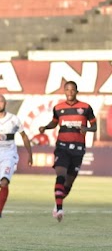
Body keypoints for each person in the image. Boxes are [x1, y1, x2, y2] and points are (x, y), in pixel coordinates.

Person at [38, 81, 97, 222]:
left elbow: (94, 126)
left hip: (78, 149)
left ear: (76, 91)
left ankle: (57, 202)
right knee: (61, 175)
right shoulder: (58, 108)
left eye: (72, 90)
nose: (70, 92)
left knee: (68, 184)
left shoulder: (86, 107)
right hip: (62, 147)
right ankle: (59, 209)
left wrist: (87, 129)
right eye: (67, 90)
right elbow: (54, 122)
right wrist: (45, 127)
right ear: (64, 91)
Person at [0, 94, 33, 218]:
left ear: (5, 103)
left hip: (9, 155)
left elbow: (24, 136)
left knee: (4, 182)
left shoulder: (14, 119)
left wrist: (30, 154)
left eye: (1, 102)